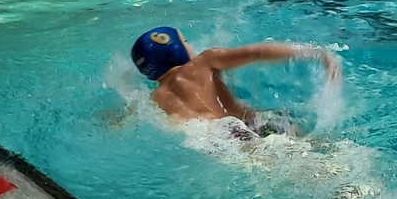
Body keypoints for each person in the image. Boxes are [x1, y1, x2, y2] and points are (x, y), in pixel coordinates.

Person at [130, 27, 340, 137]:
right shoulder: (204, 62)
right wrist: (315, 53)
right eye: (185, 41)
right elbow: (256, 52)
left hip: (219, 142)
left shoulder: (155, 98)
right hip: (250, 124)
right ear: (175, 48)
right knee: (318, 156)